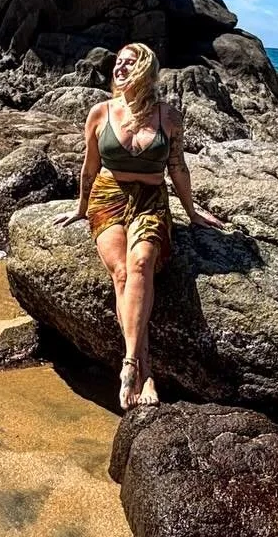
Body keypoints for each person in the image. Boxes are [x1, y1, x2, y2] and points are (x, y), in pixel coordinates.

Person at [57, 41, 224, 408]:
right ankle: (143, 370)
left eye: (128, 63)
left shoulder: (168, 117)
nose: (119, 68)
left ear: (145, 69)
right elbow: (89, 167)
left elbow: (177, 168)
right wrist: (81, 207)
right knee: (121, 273)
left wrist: (192, 212)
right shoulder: (100, 113)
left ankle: (130, 363)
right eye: (117, 63)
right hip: (108, 196)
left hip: (151, 200)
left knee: (141, 264)